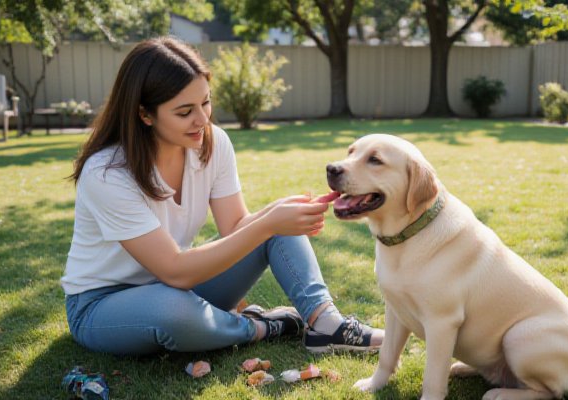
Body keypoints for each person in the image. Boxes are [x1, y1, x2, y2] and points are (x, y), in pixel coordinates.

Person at [61, 36, 383, 356]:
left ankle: (326, 324)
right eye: (185, 111)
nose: (202, 119)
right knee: (173, 311)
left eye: (206, 102)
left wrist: (277, 214)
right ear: (145, 115)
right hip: (102, 305)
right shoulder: (107, 173)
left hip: (179, 288)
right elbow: (175, 269)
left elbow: (235, 226)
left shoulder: (212, 143)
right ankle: (260, 327)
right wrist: (268, 222)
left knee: (277, 225)